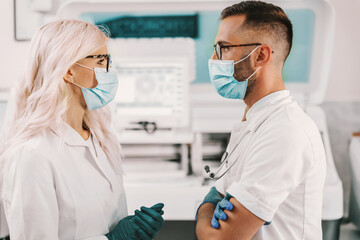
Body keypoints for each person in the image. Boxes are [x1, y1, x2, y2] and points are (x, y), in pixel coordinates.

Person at [0, 19, 164, 240]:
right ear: (69, 71)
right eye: (101, 61)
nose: (109, 70)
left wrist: (133, 227)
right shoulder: (31, 156)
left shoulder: (98, 138)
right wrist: (112, 239)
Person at [196, 1, 326, 239]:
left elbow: (218, 238)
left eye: (223, 47)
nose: (214, 58)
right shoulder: (256, 121)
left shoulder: (285, 132)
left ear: (261, 55)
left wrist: (205, 207)